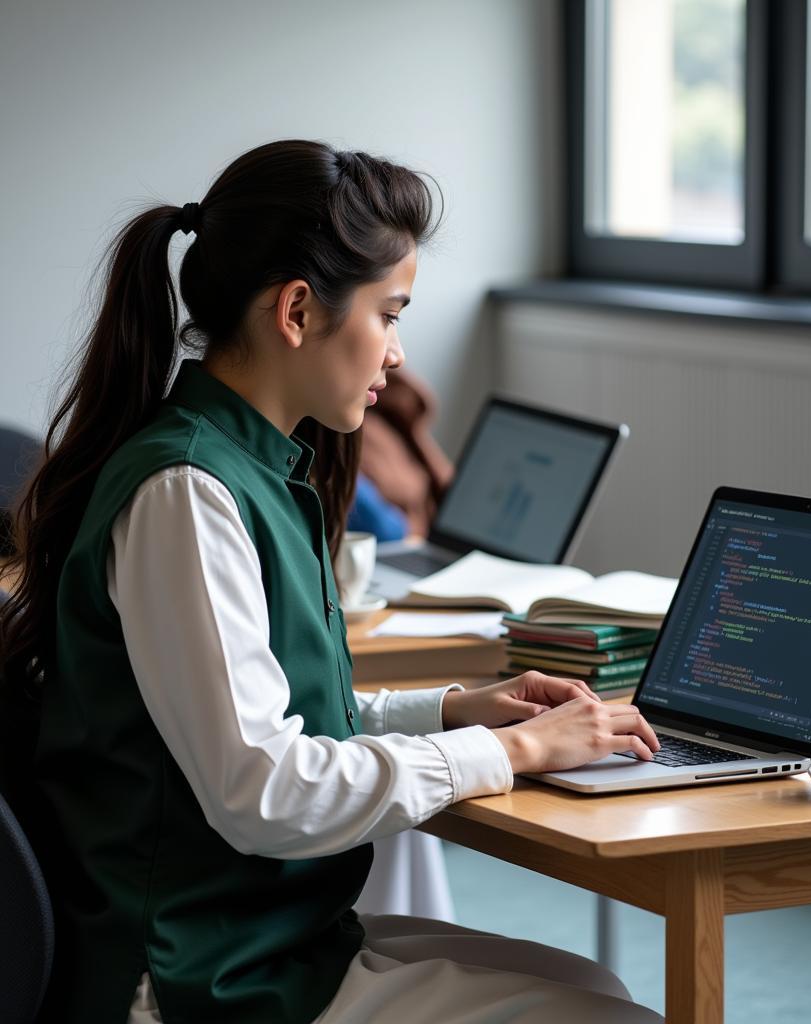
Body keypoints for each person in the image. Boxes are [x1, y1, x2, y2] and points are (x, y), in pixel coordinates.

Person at [0, 140, 662, 1024]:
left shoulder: (253, 468)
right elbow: (263, 789)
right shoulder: (188, 494)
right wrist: (513, 752)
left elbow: (267, 719)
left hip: (267, 933)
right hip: (194, 976)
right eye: (390, 315)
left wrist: (458, 709)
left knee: (596, 990)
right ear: (299, 310)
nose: (395, 353)